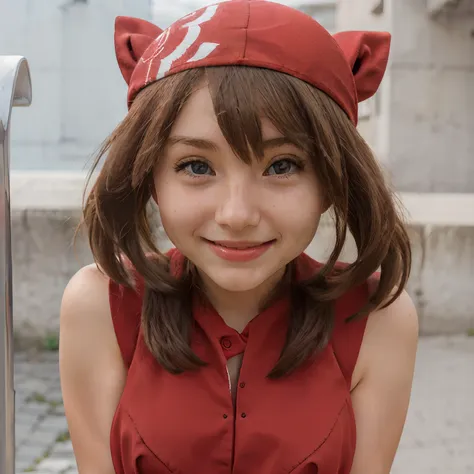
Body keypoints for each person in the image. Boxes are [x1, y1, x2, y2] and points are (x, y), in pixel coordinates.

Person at [59, 1, 419, 473]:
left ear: (332, 181)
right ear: (150, 177)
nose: (237, 214)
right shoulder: (100, 307)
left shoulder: (378, 320)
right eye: (196, 166)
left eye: (282, 165)